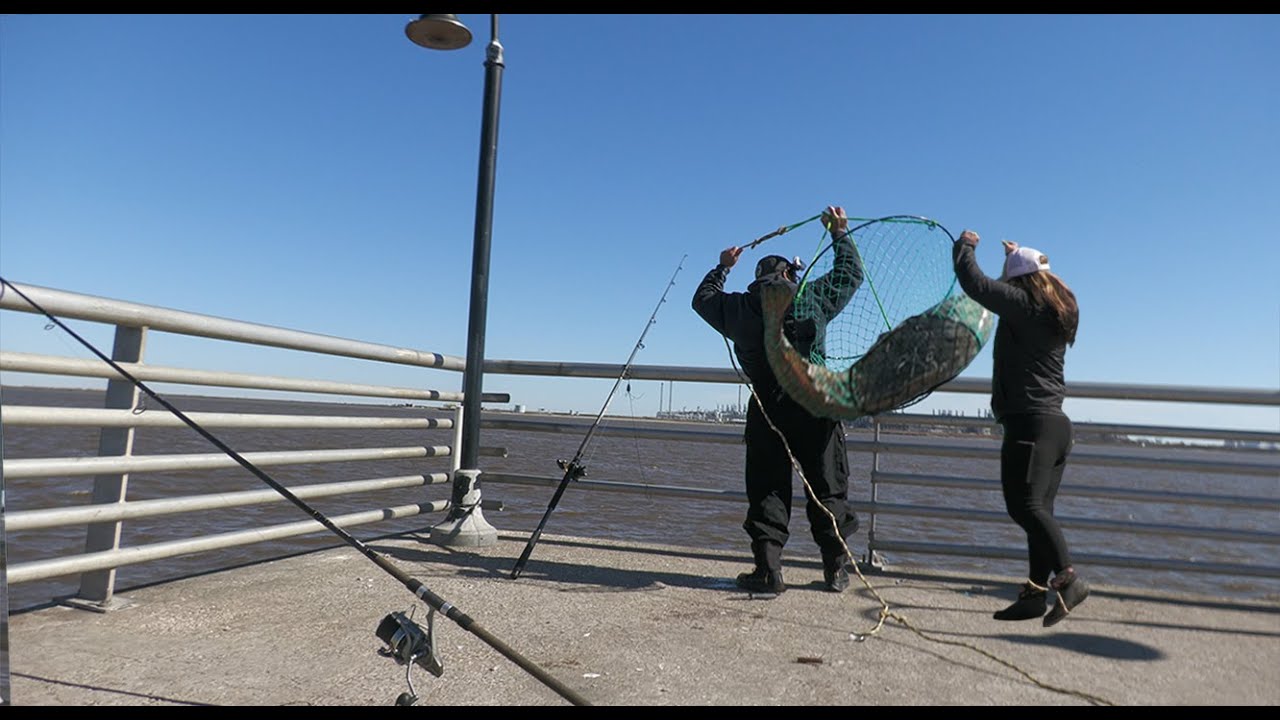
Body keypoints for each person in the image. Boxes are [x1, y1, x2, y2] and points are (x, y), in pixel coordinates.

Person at [692, 205, 863, 595]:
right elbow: (850, 274)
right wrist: (839, 232)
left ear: (759, 280)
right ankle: (835, 570)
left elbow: (702, 299)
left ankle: (769, 572)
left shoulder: (737, 307)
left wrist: (722, 267)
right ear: (789, 274)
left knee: (767, 486)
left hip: (767, 407)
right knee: (827, 486)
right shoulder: (812, 297)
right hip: (815, 400)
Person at [953, 230, 1087, 627]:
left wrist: (966, 246)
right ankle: (1033, 595)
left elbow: (974, 283)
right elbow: (1015, 282)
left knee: (1024, 507)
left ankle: (1068, 578)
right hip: (1057, 428)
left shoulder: (1024, 304)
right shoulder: (1053, 308)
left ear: (1018, 282)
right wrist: (1016, 257)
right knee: (1039, 511)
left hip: (1030, 425)